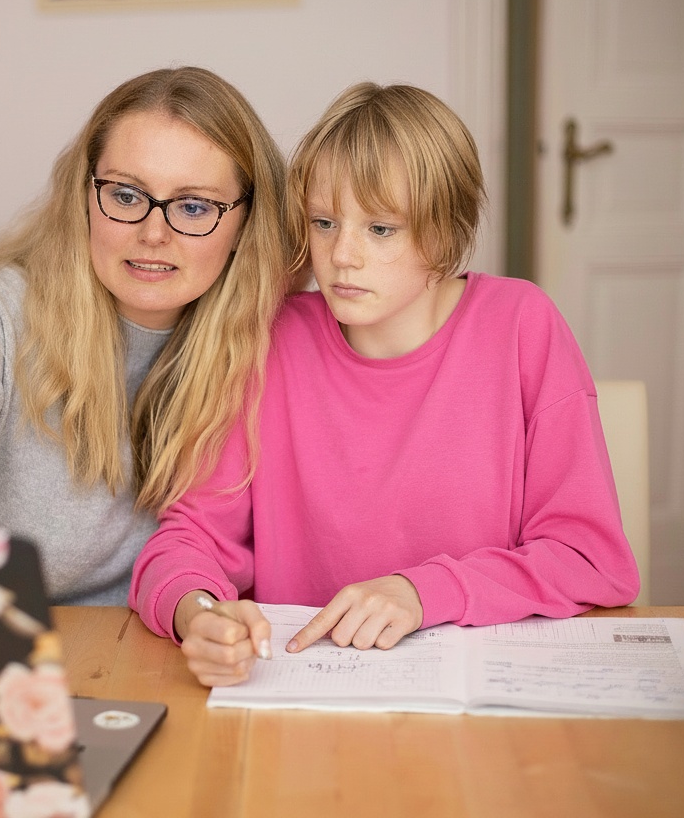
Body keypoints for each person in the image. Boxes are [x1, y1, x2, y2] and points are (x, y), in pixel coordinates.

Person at [129, 82, 641, 685]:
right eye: (324, 222)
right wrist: (200, 614)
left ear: (444, 232)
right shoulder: (269, 339)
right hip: (303, 698)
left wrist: (423, 592)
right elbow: (189, 539)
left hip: (479, 699)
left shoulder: (521, 325)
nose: (342, 255)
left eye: (381, 229)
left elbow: (590, 560)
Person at [0, 67, 294, 606]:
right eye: (127, 196)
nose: (154, 233)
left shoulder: (276, 340)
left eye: (193, 206)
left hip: (153, 644)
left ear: (247, 220)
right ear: (84, 195)